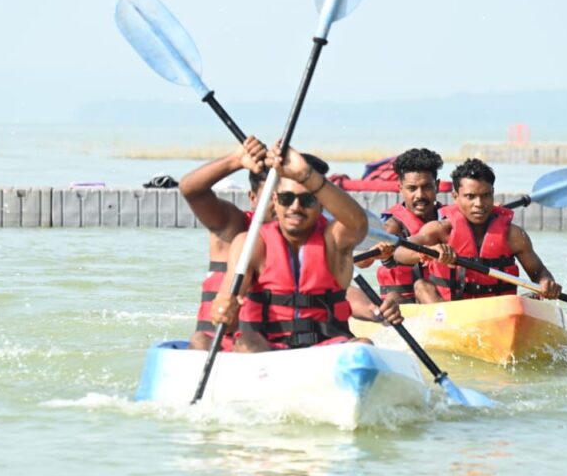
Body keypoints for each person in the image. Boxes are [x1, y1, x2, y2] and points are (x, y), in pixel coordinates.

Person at [182, 137, 401, 351]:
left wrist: (375, 310)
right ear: (274, 199)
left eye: (306, 199)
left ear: (318, 203)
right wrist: (224, 306)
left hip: (322, 345)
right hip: (259, 346)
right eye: (286, 198)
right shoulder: (242, 235)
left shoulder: (331, 236)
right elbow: (191, 190)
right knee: (213, 341)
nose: (295, 207)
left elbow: (338, 288)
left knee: (362, 347)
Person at [393, 158, 562, 302]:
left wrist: (547, 283)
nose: (479, 204)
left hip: (498, 311)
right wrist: (428, 252)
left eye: (485, 195)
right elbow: (399, 251)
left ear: (493, 194)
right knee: (421, 286)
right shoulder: (440, 230)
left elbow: (538, 272)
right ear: (455, 197)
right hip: (450, 311)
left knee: (534, 296)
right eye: (470, 196)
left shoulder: (513, 235)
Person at [179, 136, 268, 350]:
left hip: (264, 348)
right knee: (200, 341)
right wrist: (236, 160)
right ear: (253, 198)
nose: (277, 204)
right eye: (269, 197)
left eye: (282, 197)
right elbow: (192, 190)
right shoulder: (232, 224)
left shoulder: (300, 237)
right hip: (215, 344)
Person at [370, 147, 446, 303]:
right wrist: (425, 253)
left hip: (442, 298)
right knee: (422, 286)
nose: (419, 195)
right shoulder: (392, 226)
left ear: (437, 186)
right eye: (412, 188)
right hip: (403, 304)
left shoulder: (449, 219)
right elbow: (363, 262)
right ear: (400, 188)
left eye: (426, 187)